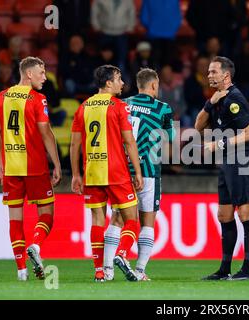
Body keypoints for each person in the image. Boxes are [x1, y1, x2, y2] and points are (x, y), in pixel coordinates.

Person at [0, 57, 62, 281]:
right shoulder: (37, 99)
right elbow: (46, 132)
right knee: (47, 214)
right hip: (35, 167)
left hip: (11, 167)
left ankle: (21, 270)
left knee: (15, 220)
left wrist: (0, 163)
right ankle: (36, 245)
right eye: (41, 72)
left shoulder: (1, 97)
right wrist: (57, 163)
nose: (44, 77)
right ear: (28, 74)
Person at [70, 65, 144, 282]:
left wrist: (76, 174)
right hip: (117, 171)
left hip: (92, 171)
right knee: (132, 219)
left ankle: (99, 271)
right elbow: (129, 141)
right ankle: (121, 254)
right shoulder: (119, 106)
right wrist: (137, 171)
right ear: (109, 83)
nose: (122, 83)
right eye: (119, 79)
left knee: (97, 221)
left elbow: (74, 145)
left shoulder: (83, 107)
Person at [103, 68, 174, 281]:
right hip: (149, 170)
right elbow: (168, 138)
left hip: (122, 170)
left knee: (117, 218)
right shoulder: (163, 108)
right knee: (147, 221)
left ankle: (106, 270)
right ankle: (140, 270)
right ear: (153, 85)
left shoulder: (121, 104)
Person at [195, 56, 249, 281]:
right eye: (208, 71)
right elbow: (198, 125)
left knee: (245, 213)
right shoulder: (217, 99)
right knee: (224, 215)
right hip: (226, 162)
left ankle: (247, 270)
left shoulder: (235, 99)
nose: (209, 74)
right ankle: (224, 269)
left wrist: (219, 144)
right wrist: (209, 103)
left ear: (226, 75)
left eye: (213, 71)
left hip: (240, 160)